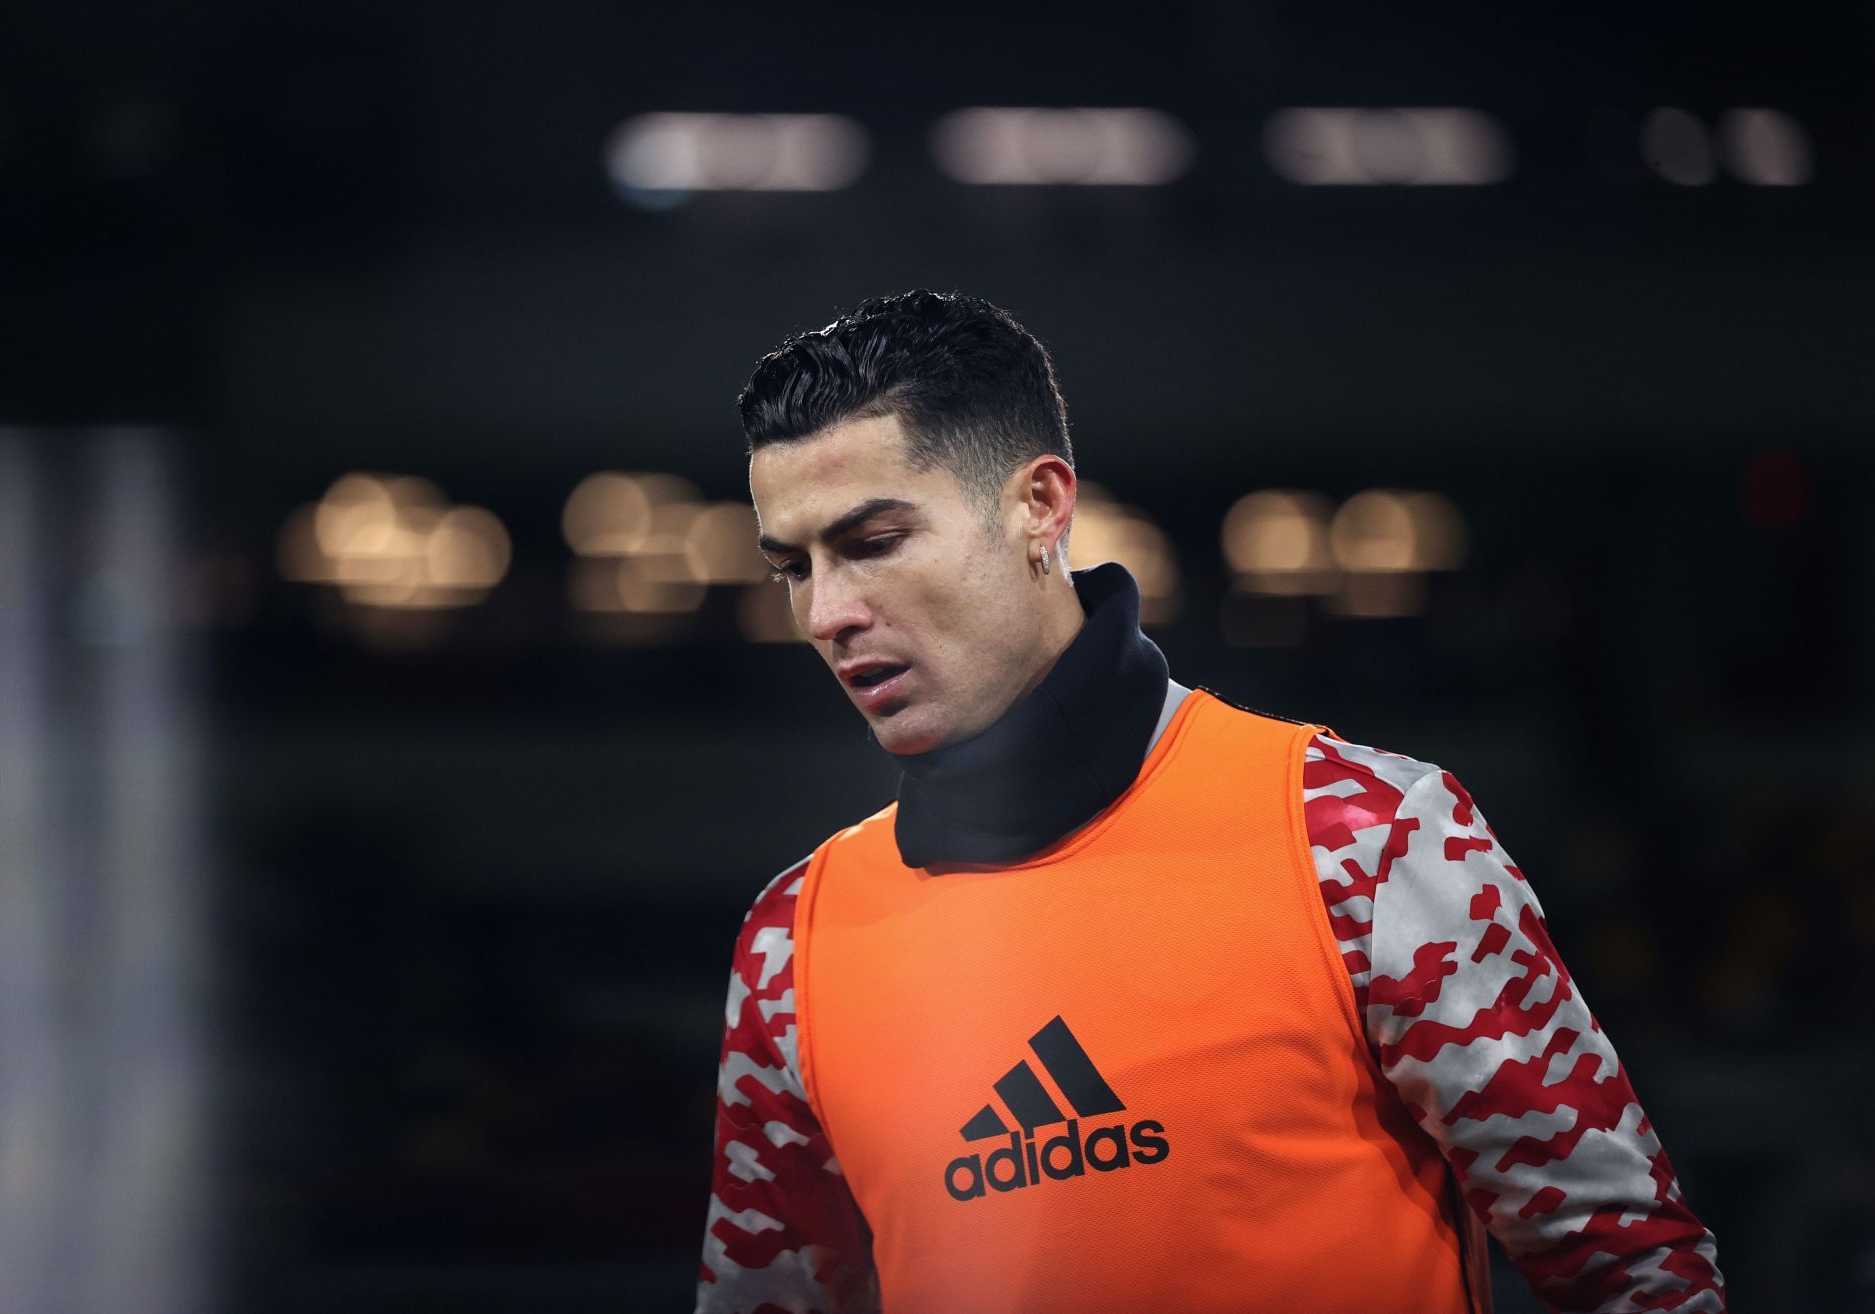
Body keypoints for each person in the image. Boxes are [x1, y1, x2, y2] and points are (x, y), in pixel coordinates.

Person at [694, 290, 1725, 1314]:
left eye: (872, 543)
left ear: (1040, 506)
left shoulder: (1361, 838)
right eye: (794, 567)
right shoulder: (796, 942)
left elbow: (1637, 1275)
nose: (827, 613)